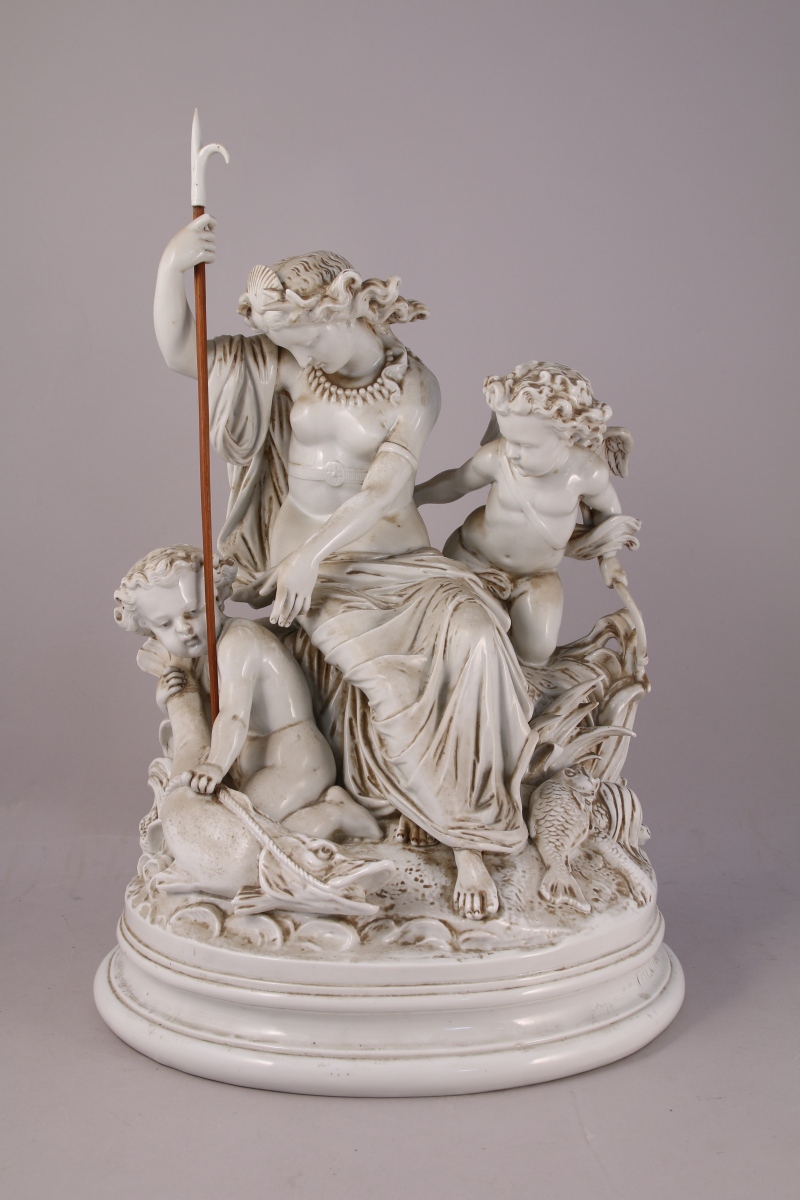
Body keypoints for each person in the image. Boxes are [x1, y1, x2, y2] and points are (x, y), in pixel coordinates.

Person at [153, 218, 536, 919]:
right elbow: (183, 354)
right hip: (320, 579)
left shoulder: (416, 387)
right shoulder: (292, 363)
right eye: (288, 343)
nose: (294, 354)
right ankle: (464, 844)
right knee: (391, 685)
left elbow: (385, 490)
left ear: (348, 309)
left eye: (306, 337)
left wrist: (312, 555)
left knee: (480, 640)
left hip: (394, 562)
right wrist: (171, 267)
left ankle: (476, 825)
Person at [114, 543, 380, 841]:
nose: (183, 629)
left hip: (294, 763)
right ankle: (327, 811)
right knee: (229, 830)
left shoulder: (237, 642)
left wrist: (215, 765)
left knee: (244, 831)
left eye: (193, 612)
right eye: (165, 624)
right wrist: (166, 697)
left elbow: (233, 714)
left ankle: (337, 814)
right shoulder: (202, 655)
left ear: (216, 598)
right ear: (151, 630)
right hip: (251, 765)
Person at [415, 362, 640, 666]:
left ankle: (514, 690)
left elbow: (609, 517)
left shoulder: (587, 473)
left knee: (537, 651)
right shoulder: (498, 457)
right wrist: (413, 497)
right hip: (474, 560)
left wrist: (608, 559)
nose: (512, 451)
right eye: (508, 439)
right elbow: (454, 484)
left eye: (525, 445)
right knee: (460, 634)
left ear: (567, 436)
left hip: (537, 574)